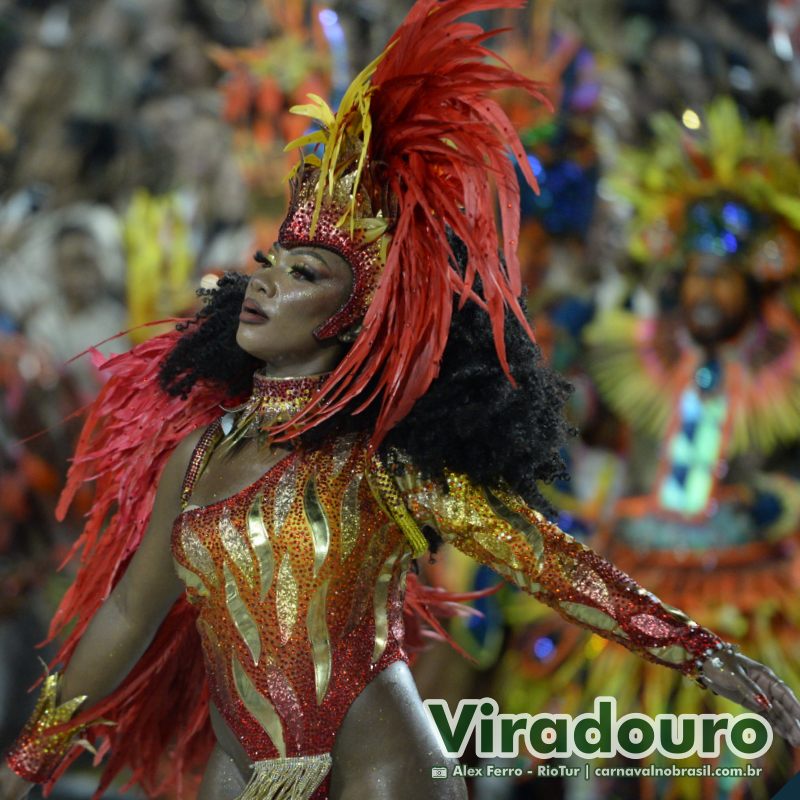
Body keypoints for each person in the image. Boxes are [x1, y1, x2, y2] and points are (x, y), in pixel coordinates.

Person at [2, 5, 799, 800]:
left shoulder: (382, 464)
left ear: (354, 316)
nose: (268, 283)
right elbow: (129, 616)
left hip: (380, 772)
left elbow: (549, 564)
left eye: (306, 275)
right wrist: (28, 758)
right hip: (237, 772)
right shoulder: (200, 452)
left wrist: (701, 653)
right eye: (270, 262)